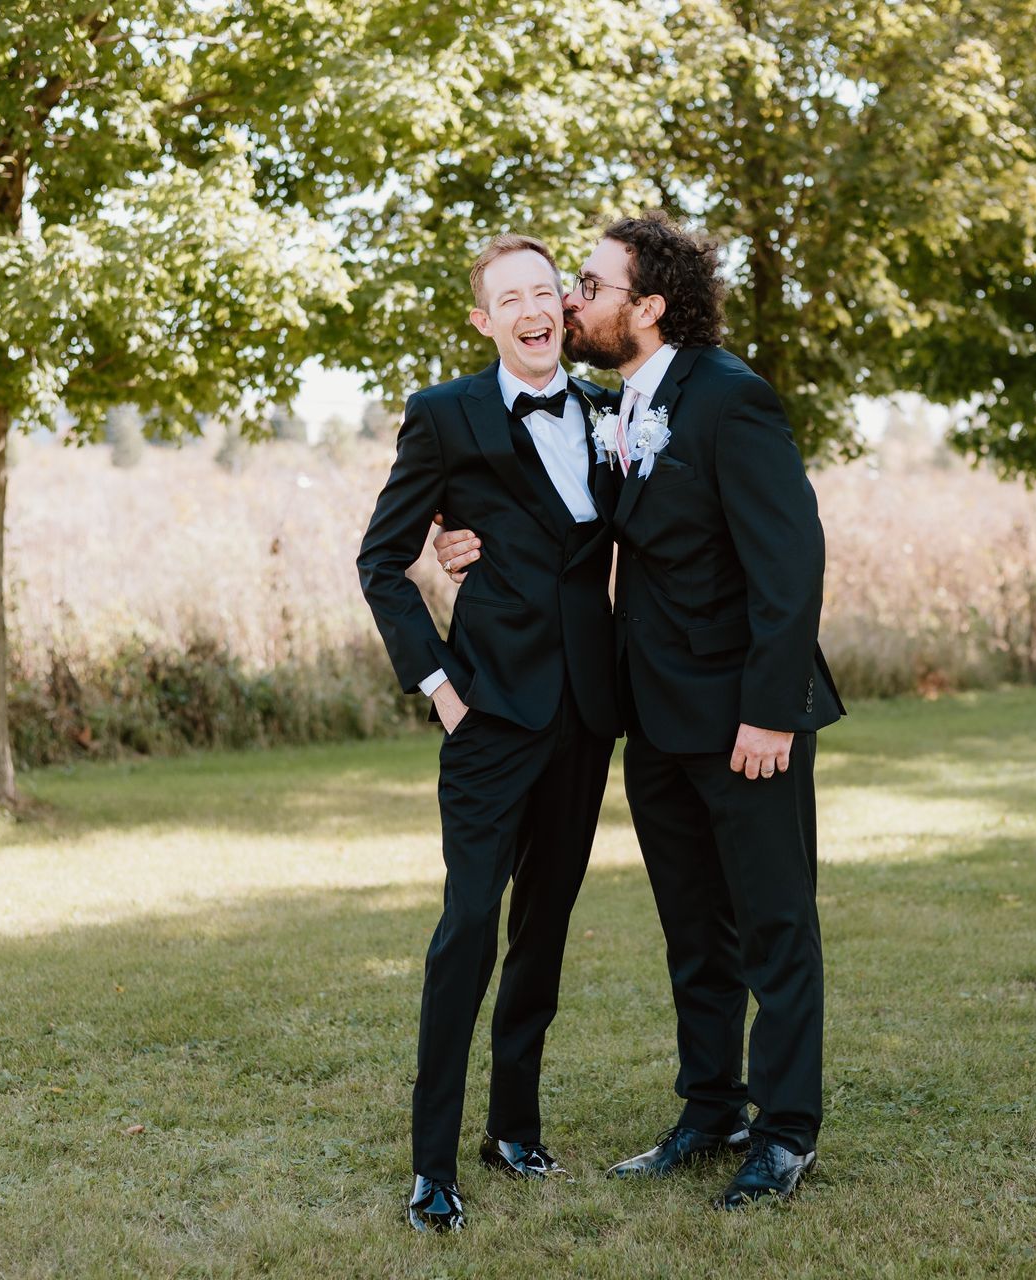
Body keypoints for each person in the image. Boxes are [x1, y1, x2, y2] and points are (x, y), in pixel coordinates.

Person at [435, 211, 843, 1209]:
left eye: (588, 283)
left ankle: (784, 1134)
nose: (570, 301)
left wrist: (770, 713)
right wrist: (463, 539)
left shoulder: (730, 400)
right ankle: (712, 1109)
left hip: (746, 723)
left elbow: (791, 566)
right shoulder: (615, 406)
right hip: (654, 723)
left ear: (649, 307)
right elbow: (564, 516)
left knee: (775, 926)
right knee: (695, 933)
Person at [356, 233, 622, 1233]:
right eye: (507, 296)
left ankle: (513, 1127)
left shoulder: (605, 410)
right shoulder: (444, 413)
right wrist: (437, 682)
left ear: (563, 304)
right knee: (468, 929)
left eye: (544, 290)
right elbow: (381, 560)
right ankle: (432, 1165)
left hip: (586, 720)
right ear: (484, 320)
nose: (531, 306)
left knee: (543, 930)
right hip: (489, 716)